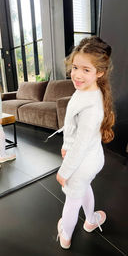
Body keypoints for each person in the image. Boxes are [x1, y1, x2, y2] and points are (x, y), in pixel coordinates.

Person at [56, 36, 115, 249]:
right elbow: (73, 128)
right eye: (75, 67)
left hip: (81, 162)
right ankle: (90, 220)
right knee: (82, 188)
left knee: (72, 202)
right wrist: (65, 146)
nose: (77, 75)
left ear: (99, 72)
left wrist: (64, 171)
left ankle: (65, 236)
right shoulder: (85, 91)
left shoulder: (92, 107)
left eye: (86, 70)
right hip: (88, 159)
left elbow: (81, 144)